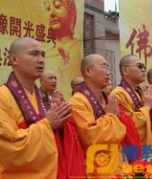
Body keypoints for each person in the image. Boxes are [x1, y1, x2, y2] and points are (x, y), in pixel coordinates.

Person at [0, 38, 71, 179]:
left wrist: (61, 127)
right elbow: (9, 149)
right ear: (14, 60)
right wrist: (48, 124)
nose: (41, 60)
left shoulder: (43, 97)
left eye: (43, 55)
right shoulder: (3, 96)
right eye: (34, 54)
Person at [69, 54, 126, 175]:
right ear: (89, 71)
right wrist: (111, 116)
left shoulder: (107, 99)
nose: (108, 72)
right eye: (104, 67)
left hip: (114, 166)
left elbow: (121, 132)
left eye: (108, 68)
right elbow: (91, 137)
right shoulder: (77, 102)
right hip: (93, 170)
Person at [111, 55, 152, 161]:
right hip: (130, 150)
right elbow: (128, 123)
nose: (144, 69)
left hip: (146, 146)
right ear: (126, 70)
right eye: (139, 66)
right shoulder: (118, 94)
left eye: (144, 67)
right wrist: (147, 107)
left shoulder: (139, 92)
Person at [45, 0, 82, 96]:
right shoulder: (45, 54)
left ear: (71, 12)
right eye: (48, 9)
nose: (51, 13)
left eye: (57, 6)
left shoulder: (77, 49)